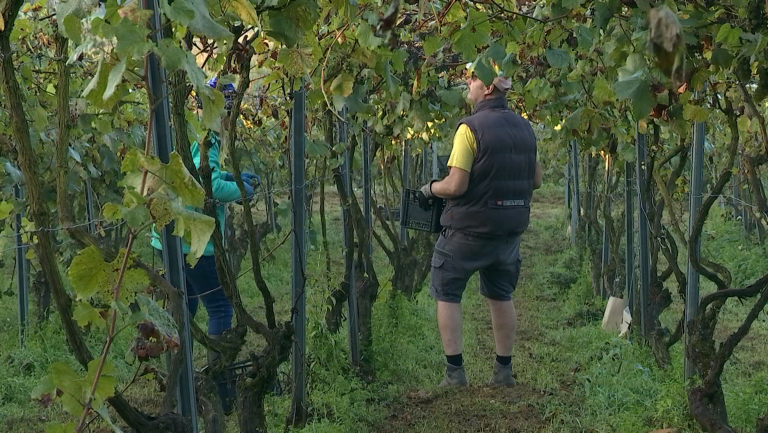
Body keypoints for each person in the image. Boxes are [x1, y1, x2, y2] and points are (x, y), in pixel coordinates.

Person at [418, 67, 543, 387]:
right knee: (501, 294)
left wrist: (431, 188)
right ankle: (503, 371)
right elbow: (537, 180)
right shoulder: (526, 128)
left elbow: (456, 186)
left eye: (472, 80)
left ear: (488, 87)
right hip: (509, 231)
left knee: (446, 291)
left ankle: (455, 372)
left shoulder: (469, 129)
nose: (467, 85)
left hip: (468, 230)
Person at [150, 77, 259, 411]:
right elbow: (204, 190)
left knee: (183, 312)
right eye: (228, 106)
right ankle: (219, 387)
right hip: (195, 243)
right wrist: (243, 191)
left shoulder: (186, 128)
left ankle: (180, 390)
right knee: (221, 309)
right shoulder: (208, 135)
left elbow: (198, 173)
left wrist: (230, 177)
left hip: (167, 238)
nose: (232, 114)